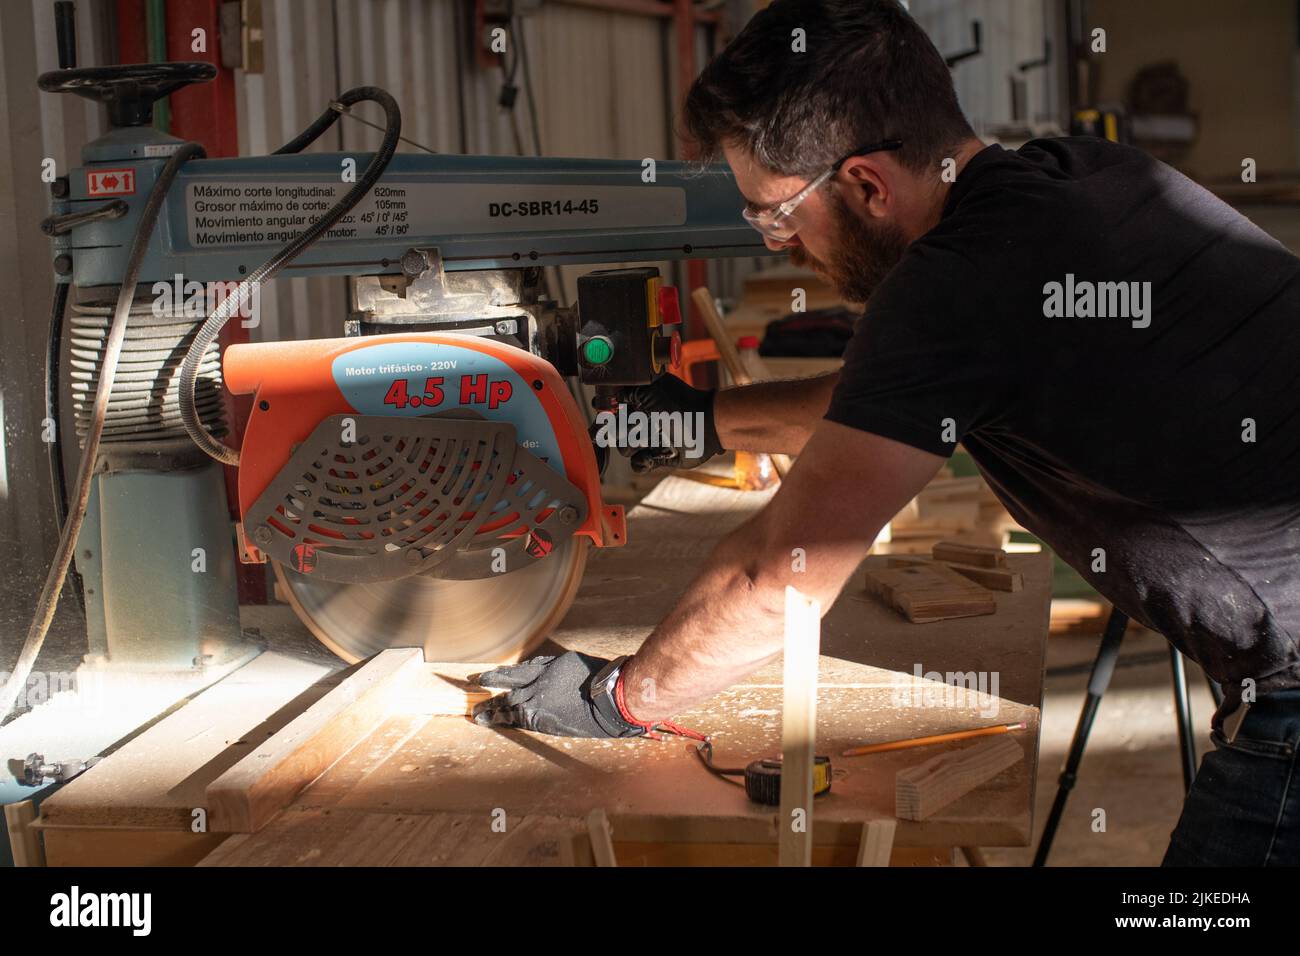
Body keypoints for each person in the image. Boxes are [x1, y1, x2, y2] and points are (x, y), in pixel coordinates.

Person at [473, 0, 1300, 866]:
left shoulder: (958, 283)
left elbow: (773, 580)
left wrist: (619, 698)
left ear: (867, 183)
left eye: (777, 216)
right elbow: (886, 401)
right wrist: (699, 419)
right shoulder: (1076, 174)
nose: (785, 248)